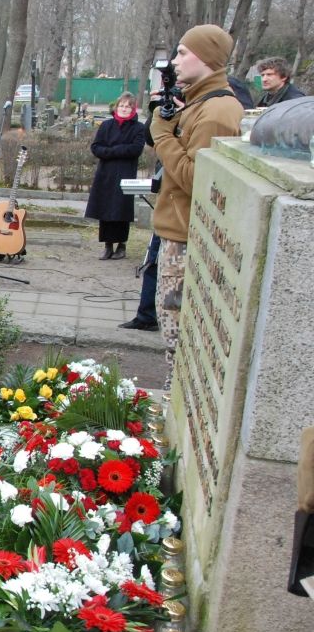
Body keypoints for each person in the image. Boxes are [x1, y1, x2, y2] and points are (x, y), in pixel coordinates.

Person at [149, 24, 242, 386]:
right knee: (172, 329)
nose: (175, 60)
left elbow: (195, 178)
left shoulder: (216, 112)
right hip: (177, 232)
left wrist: (162, 135)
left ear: (206, 57)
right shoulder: (202, 103)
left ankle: (174, 406)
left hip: (186, 239)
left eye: (183, 53)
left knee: (177, 337)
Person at [85, 92, 146, 260]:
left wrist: (112, 150)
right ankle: (108, 245)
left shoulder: (138, 128)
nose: (124, 109)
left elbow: (135, 149)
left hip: (125, 173)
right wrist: (115, 151)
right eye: (121, 105)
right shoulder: (106, 126)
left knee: (121, 210)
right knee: (105, 210)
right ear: (116, 107)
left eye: (128, 106)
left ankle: (121, 245)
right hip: (106, 173)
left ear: (133, 109)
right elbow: (96, 147)